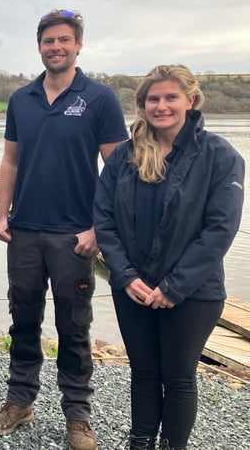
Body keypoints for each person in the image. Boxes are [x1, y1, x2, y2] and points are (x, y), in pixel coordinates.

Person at [0, 9, 129, 450]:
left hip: (75, 237)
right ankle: (20, 400)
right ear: (39, 46)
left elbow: (117, 170)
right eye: (49, 41)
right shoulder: (20, 99)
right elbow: (10, 160)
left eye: (64, 40)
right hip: (24, 233)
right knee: (22, 319)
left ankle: (78, 416)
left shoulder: (99, 98)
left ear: (79, 45)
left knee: (74, 326)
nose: (56, 47)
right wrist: (1, 215)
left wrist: (99, 229)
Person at [94, 65, 244, 450]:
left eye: (170, 97)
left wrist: (175, 286)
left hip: (193, 293)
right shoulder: (124, 157)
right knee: (143, 373)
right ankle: (139, 442)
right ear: (142, 105)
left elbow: (219, 230)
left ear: (190, 100)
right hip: (134, 288)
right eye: (152, 99)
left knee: (178, 377)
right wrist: (125, 275)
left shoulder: (220, 156)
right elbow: (104, 219)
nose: (161, 106)